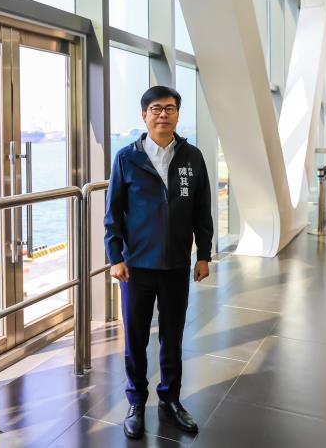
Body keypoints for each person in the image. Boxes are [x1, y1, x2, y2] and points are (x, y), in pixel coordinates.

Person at [104, 85, 213, 439]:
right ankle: (136, 401)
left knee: (172, 336)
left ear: (178, 114)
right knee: (135, 339)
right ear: (144, 115)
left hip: (177, 265)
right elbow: (113, 213)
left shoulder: (192, 157)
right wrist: (115, 257)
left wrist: (204, 253)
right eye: (156, 108)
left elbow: (202, 210)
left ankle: (170, 399)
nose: (163, 114)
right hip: (135, 267)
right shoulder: (126, 158)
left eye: (169, 108)